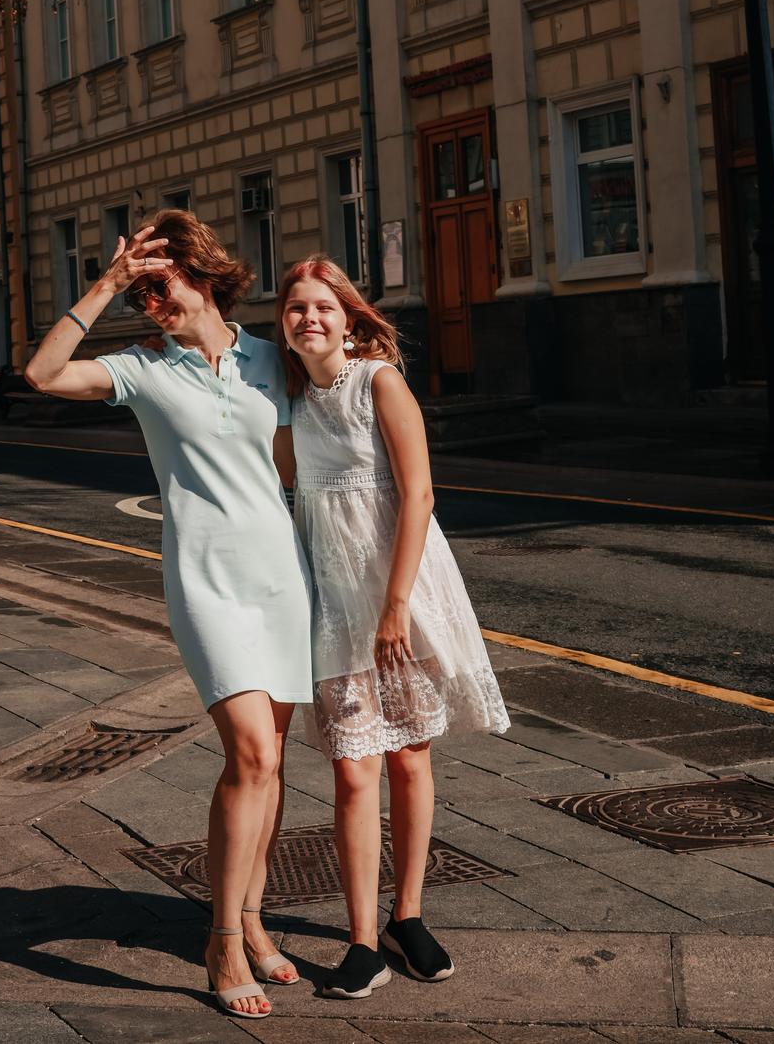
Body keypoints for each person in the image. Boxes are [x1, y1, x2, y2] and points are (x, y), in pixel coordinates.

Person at [26, 211, 313, 1019]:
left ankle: (253, 920)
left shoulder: (269, 360)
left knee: (273, 763)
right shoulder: (144, 369)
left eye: (163, 284)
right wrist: (105, 285)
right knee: (249, 752)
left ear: (205, 273)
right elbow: (44, 375)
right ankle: (222, 939)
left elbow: (303, 459)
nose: (153, 302)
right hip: (206, 581)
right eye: (142, 291)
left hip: (282, 578)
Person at [276, 255, 509, 1001]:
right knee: (352, 769)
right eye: (296, 308)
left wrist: (396, 607)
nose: (309, 318)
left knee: (409, 759)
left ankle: (406, 916)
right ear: (282, 326)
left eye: (323, 306)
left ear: (349, 318)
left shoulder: (378, 381)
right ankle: (359, 940)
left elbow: (420, 495)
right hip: (333, 602)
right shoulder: (286, 399)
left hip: (399, 596)